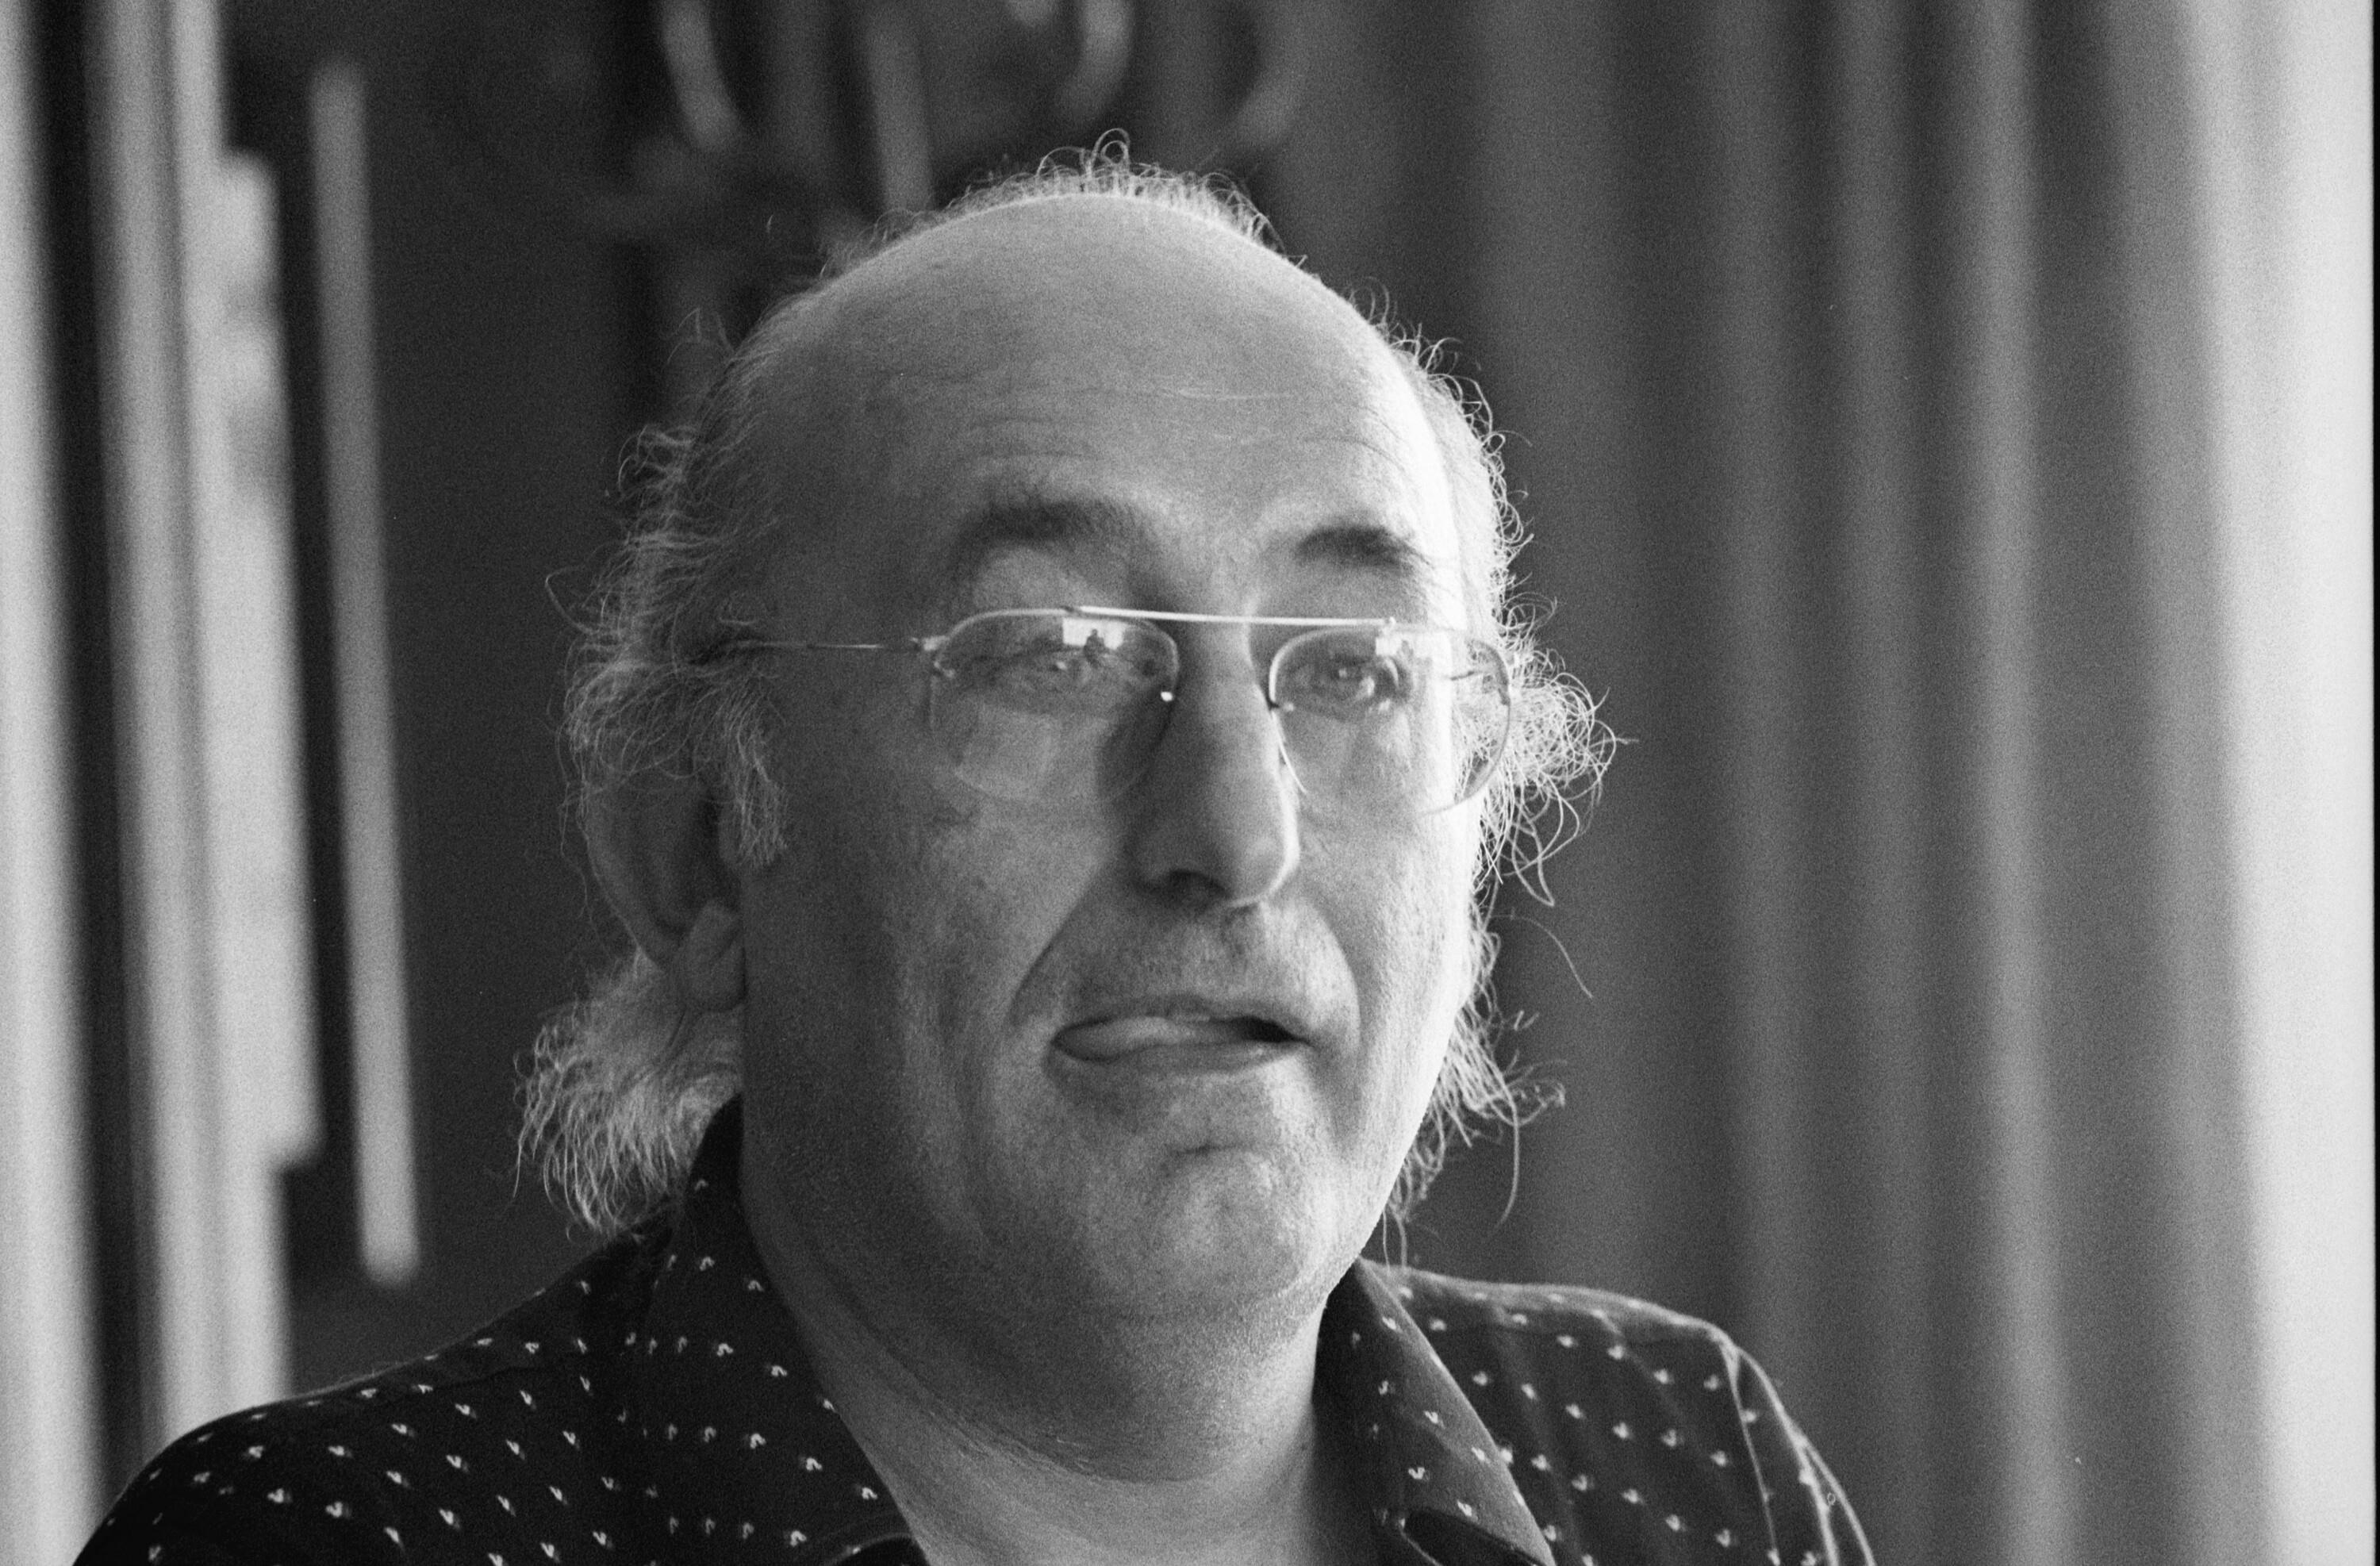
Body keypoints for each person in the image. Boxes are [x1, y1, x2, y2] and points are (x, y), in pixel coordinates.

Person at [81, 157, 1871, 1566]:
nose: (1236, 834)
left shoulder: (1685, 1474)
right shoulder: (330, 1543)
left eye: (1356, 669)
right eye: (1053, 654)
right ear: (699, 853)